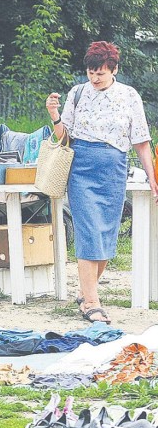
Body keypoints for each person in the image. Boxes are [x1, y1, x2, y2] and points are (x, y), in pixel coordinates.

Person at [46, 41, 158, 324]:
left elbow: (142, 142)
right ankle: (92, 303)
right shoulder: (78, 92)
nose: (95, 78)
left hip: (114, 169)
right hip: (81, 167)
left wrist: (152, 177)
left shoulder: (129, 96)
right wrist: (54, 115)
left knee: (107, 235)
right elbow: (64, 136)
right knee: (89, 232)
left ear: (114, 70)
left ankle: (86, 293)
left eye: (101, 73)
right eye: (91, 72)